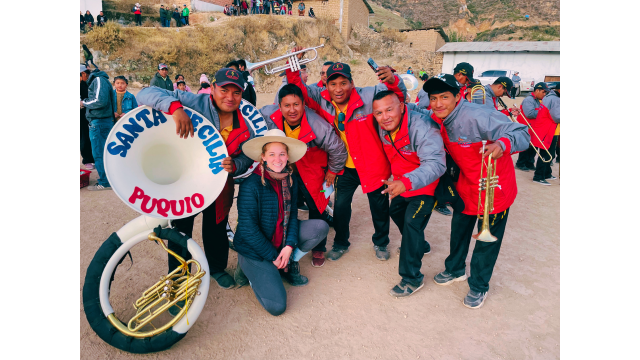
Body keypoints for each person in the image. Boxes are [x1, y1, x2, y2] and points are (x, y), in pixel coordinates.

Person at [136, 68, 277, 290]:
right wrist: (175, 108)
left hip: (218, 187)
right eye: (224, 90)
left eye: (236, 92)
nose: (230, 97)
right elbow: (145, 93)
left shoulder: (247, 125)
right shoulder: (194, 101)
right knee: (180, 230)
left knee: (217, 228)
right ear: (212, 89)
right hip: (185, 182)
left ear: (242, 94)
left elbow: (247, 157)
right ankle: (178, 277)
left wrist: (236, 164)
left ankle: (217, 268)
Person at [416, 74, 530, 309]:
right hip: (466, 186)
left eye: (445, 97)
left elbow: (522, 133)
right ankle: (455, 269)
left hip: (494, 187)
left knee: (487, 241)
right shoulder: (434, 117)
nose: (438, 103)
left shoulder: (479, 115)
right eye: (434, 98)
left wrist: (502, 144)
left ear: (458, 96)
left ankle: (479, 286)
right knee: (458, 231)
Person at [286, 46, 408, 262]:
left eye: (343, 83)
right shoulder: (321, 99)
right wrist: (293, 65)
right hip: (344, 167)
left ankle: (381, 242)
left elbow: (397, 98)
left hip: (373, 166)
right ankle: (341, 242)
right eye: (333, 83)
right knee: (341, 208)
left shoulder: (369, 96)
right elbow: (298, 89)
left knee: (379, 207)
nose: (338, 88)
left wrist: (393, 80)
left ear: (352, 83)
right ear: (326, 84)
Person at [233, 129, 330, 315]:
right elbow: (248, 230)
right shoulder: (250, 185)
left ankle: (289, 260)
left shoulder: (290, 180)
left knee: (320, 227)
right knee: (277, 307)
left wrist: (289, 247)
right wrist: (274, 257)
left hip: (280, 241)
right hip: (255, 249)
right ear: (263, 157)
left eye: (282, 154)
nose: (277, 159)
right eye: (272, 154)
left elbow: (292, 215)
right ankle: (248, 269)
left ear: (287, 157)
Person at [260, 84, 347, 267]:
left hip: (314, 170)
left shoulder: (317, 124)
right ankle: (284, 242)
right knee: (285, 204)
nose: (292, 110)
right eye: (287, 105)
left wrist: (332, 171)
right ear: (279, 106)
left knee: (318, 206)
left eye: (296, 104)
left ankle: (318, 247)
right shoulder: (269, 115)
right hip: (288, 169)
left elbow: (339, 149)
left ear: (304, 104)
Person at [371, 90, 446, 297]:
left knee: (412, 224)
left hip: (425, 186)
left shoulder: (422, 127)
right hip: (402, 183)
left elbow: (436, 164)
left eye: (389, 110)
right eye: (378, 113)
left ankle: (412, 278)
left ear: (402, 107)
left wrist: (406, 182)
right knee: (395, 212)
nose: (384, 117)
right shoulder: (384, 127)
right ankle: (420, 245)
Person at [82, 69, 116, 191]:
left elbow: (99, 101)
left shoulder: (98, 80)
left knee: (99, 153)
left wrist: (83, 103)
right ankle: (111, 179)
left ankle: (105, 182)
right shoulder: (101, 79)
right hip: (103, 122)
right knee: (105, 153)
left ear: (84, 74)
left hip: (99, 122)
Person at [519, 82, 558, 185]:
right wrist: (543, 113)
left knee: (534, 147)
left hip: (535, 127)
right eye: (543, 92)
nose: (545, 94)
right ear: (537, 90)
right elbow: (530, 114)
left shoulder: (539, 100)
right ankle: (521, 163)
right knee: (527, 147)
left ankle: (530, 163)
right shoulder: (528, 100)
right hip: (526, 127)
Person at [80, 65, 95, 170]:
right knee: (84, 136)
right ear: (83, 74)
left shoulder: (85, 84)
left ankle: (92, 158)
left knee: (90, 136)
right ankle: (87, 160)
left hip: (88, 112)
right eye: (87, 74)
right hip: (81, 114)